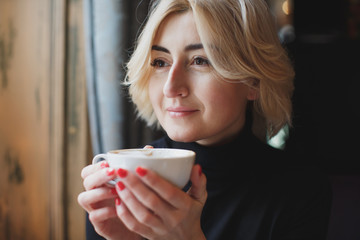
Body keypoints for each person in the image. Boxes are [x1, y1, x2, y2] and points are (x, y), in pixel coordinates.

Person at [78, 0, 332, 239]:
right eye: (160, 62)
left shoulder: (302, 190)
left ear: (253, 80)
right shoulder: (119, 183)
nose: (171, 87)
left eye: (200, 61)